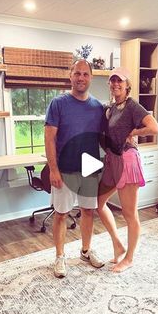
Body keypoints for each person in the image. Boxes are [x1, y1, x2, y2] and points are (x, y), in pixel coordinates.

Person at [45, 59, 105, 278]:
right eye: (77, 73)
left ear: (91, 77)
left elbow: (107, 134)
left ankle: (86, 251)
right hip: (65, 168)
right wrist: (53, 170)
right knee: (61, 214)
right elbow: (49, 138)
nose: (81, 78)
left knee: (88, 211)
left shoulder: (98, 107)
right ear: (70, 76)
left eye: (85, 74)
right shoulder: (58, 103)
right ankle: (60, 257)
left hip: (89, 169)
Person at [98, 67, 158, 273]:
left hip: (128, 160)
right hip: (113, 160)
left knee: (129, 213)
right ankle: (118, 244)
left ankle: (129, 258)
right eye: (113, 81)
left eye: (120, 81)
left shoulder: (133, 106)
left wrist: (134, 131)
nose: (116, 84)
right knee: (99, 203)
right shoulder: (112, 108)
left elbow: (154, 128)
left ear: (127, 86)